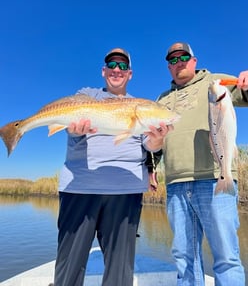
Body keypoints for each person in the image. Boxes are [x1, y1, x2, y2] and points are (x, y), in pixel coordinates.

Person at [51, 48, 172, 286]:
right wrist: (72, 129)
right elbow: (67, 119)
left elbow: (148, 144)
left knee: (120, 267)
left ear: (130, 74)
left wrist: (157, 142)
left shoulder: (140, 107)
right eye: (112, 64)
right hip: (80, 188)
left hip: (125, 191)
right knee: (69, 264)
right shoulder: (87, 95)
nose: (117, 69)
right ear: (104, 71)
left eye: (123, 66)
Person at [152, 42, 248, 285]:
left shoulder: (216, 82)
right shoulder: (162, 99)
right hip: (176, 185)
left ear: (194, 60)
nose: (178, 62)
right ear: (168, 67)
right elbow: (154, 138)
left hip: (216, 178)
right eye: (173, 60)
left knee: (226, 257)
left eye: (183, 57)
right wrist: (151, 167)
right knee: (184, 258)